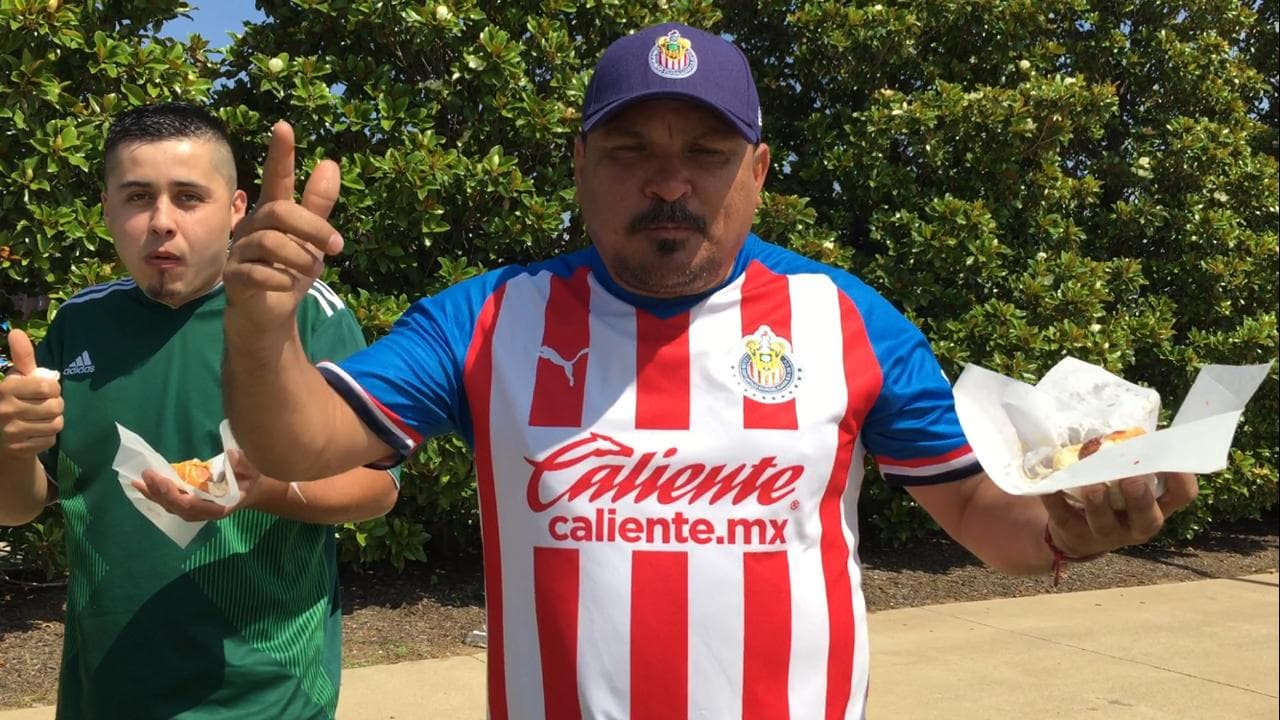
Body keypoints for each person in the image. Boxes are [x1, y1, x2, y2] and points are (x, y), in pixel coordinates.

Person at [220, 23, 1199, 719]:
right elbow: (294, 442)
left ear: (758, 169)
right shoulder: (490, 315)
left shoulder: (849, 321)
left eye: (706, 151)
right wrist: (262, 325)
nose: (668, 181)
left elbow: (986, 519)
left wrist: (1071, 523)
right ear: (580, 162)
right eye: (630, 149)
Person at [0, 102, 399, 719]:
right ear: (106, 207)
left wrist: (264, 488)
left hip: (265, 693)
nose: (161, 222)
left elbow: (378, 489)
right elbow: (19, 505)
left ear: (236, 209)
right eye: (137, 197)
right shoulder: (79, 324)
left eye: (188, 197)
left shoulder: (305, 312)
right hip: (104, 691)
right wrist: (11, 446)